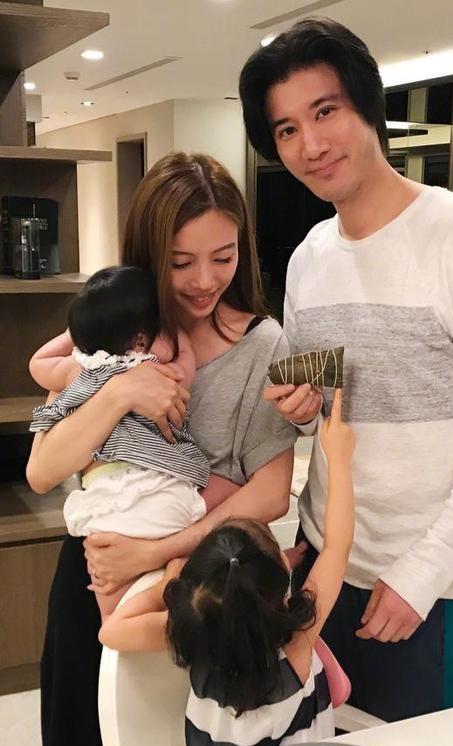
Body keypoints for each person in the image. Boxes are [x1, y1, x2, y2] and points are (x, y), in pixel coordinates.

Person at [239, 18, 453, 722]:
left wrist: (423, 571)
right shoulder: (310, 258)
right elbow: (329, 395)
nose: (311, 145)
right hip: (325, 565)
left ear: (368, 106)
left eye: (325, 111)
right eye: (287, 129)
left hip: (432, 586)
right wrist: (299, 402)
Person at [26, 152, 297, 746]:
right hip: (97, 568)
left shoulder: (263, 344)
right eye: (180, 262)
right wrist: (122, 391)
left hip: (200, 586)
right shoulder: (115, 315)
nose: (204, 280)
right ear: (151, 255)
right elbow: (43, 470)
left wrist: (155, 549)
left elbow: (273, 492)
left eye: (223, 257)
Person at [99, 390, 355, 746]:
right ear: (281, 583)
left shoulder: (194, 632)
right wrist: (338, 460)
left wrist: (168, 587)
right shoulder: (297, 644)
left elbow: (110, 632)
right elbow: (338, 548)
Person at [29, 265, 237, 619]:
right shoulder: (161, 369)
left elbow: (38, 363)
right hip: (165, 494)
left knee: (111, 602)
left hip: (106, 506)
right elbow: (187, 363)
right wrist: (178, 333)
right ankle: (165, 589)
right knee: (229, 491)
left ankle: (117, 624)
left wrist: (78, 330)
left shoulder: (80, 368)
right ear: (142, 338)